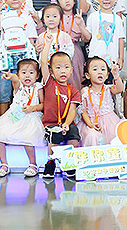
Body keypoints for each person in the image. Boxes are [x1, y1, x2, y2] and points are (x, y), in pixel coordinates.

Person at [0, 59, 46, 178]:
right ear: (18, 74)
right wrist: (10, 76)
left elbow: (43, 105)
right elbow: (14, 79)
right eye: (23, 72)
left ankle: (33, 165)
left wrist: (33, 108)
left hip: (32, 116)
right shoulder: (18, 85)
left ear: (37, 76)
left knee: (28, 137)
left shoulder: (38, 87)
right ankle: (4, 165)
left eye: (31, 72)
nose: (27, 75)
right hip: (15, 115)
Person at [40, 35, 81, 179]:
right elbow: (43, 62)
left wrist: (67, 124)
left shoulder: (74, 91)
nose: (62, 71)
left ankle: (69, 162)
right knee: (54, 136)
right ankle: (50, 162)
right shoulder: (49, 83)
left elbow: (72, 110)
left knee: (74, 135)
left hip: (67, 123)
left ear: (71, 70)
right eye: (58, 68)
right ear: (51, 70)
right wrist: (48, 43)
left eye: (66, 67)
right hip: (51, 123)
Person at [0, 0, 38, 114]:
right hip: (6, 59)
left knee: (24, 90)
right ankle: (3, 118)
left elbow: (31, 40)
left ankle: (21, 118)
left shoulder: (27, 17)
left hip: (24, 60)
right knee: (3, 91)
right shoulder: (2, 14)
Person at [78, 57, 124, 146]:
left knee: (115, 135)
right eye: (95, 69)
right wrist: (90, 124)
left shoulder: (108, 89)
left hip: (110, 121)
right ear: (87, 75)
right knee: (92, 136)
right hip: (91, 121)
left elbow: (120, 89)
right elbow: (83, 111)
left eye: (103, 69)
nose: (100, 72)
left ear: (107, 75)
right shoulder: (85, 91)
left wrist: (115, 74)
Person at [84, 0, 125, 68]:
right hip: (95, 57)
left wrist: (121, 58)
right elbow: (87, 36)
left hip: (112, 59)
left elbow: (120, 39)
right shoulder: (93, 16)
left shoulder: (118, 19)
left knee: (111, 76)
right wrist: (81, 26)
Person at [55, 0, 90, 91]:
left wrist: (81, 26)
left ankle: (77, 99)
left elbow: (86, 38)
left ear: (74, 1)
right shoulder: (56, 18)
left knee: (77, 76)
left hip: (75, 50)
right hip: (58, 49)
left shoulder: (78, 18)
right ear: (58, 3)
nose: (67, 1)